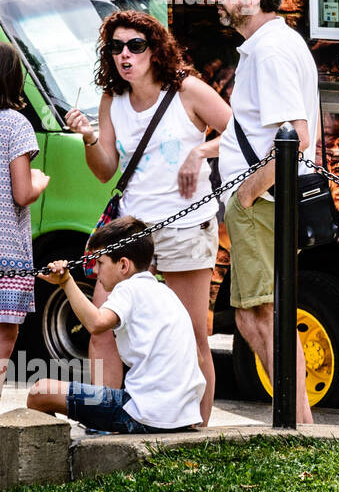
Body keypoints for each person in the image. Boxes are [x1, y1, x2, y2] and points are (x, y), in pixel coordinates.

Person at [65, 10, 231, 426]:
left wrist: (200, 153)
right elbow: (105, 169)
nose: (125, 54)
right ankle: (105, 421)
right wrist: (88, 138)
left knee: (192, 334)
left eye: (135, 45)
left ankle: (197, 428)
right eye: (116, 47)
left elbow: (239, 132)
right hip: (132, 235)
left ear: (155, 50)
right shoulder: (112, 100)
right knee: (102, 329)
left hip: (186, 227)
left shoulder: (187, 91)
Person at [213, 0, 318, 424]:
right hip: (265, 198)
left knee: (261, 316)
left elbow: (294, 135)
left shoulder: (271, 50)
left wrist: (246, 192)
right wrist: (210, 151)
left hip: (263, 200)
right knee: (262, 314)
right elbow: (261, 129)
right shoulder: (275, 43)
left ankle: (294, 425)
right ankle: (296, 423)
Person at [27, 218, 205, 434]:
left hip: (141, 414)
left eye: (100, 263)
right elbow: (199, 357)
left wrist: (66, 282)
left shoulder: (128, 289)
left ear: (123, 265)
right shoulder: (166, 293)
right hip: (183, 417)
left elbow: (97, 323)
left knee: (39, 392)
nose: (96, 271)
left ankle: (56, 457)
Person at [0, 42, 49, 391]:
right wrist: (39, 182)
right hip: (7, 254)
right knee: (4, 335)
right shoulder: (15, 124)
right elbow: (21, 192)